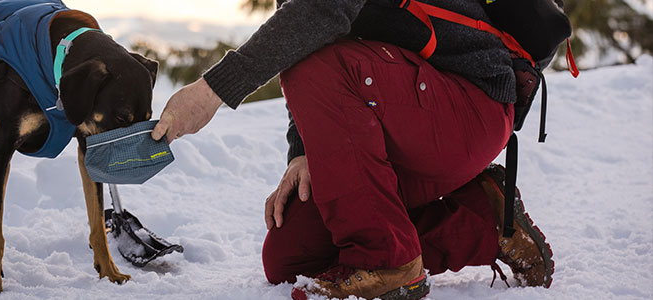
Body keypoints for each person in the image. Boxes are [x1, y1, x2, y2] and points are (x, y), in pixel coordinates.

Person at [151, 0, 555, 299]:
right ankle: (484, 223)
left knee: (318, 67)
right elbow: (305, 36)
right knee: (291, 259)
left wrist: (212, 91)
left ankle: (388, 261)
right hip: (405, 112)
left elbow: (324, 12)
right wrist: (302, 152)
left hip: (471, 106)